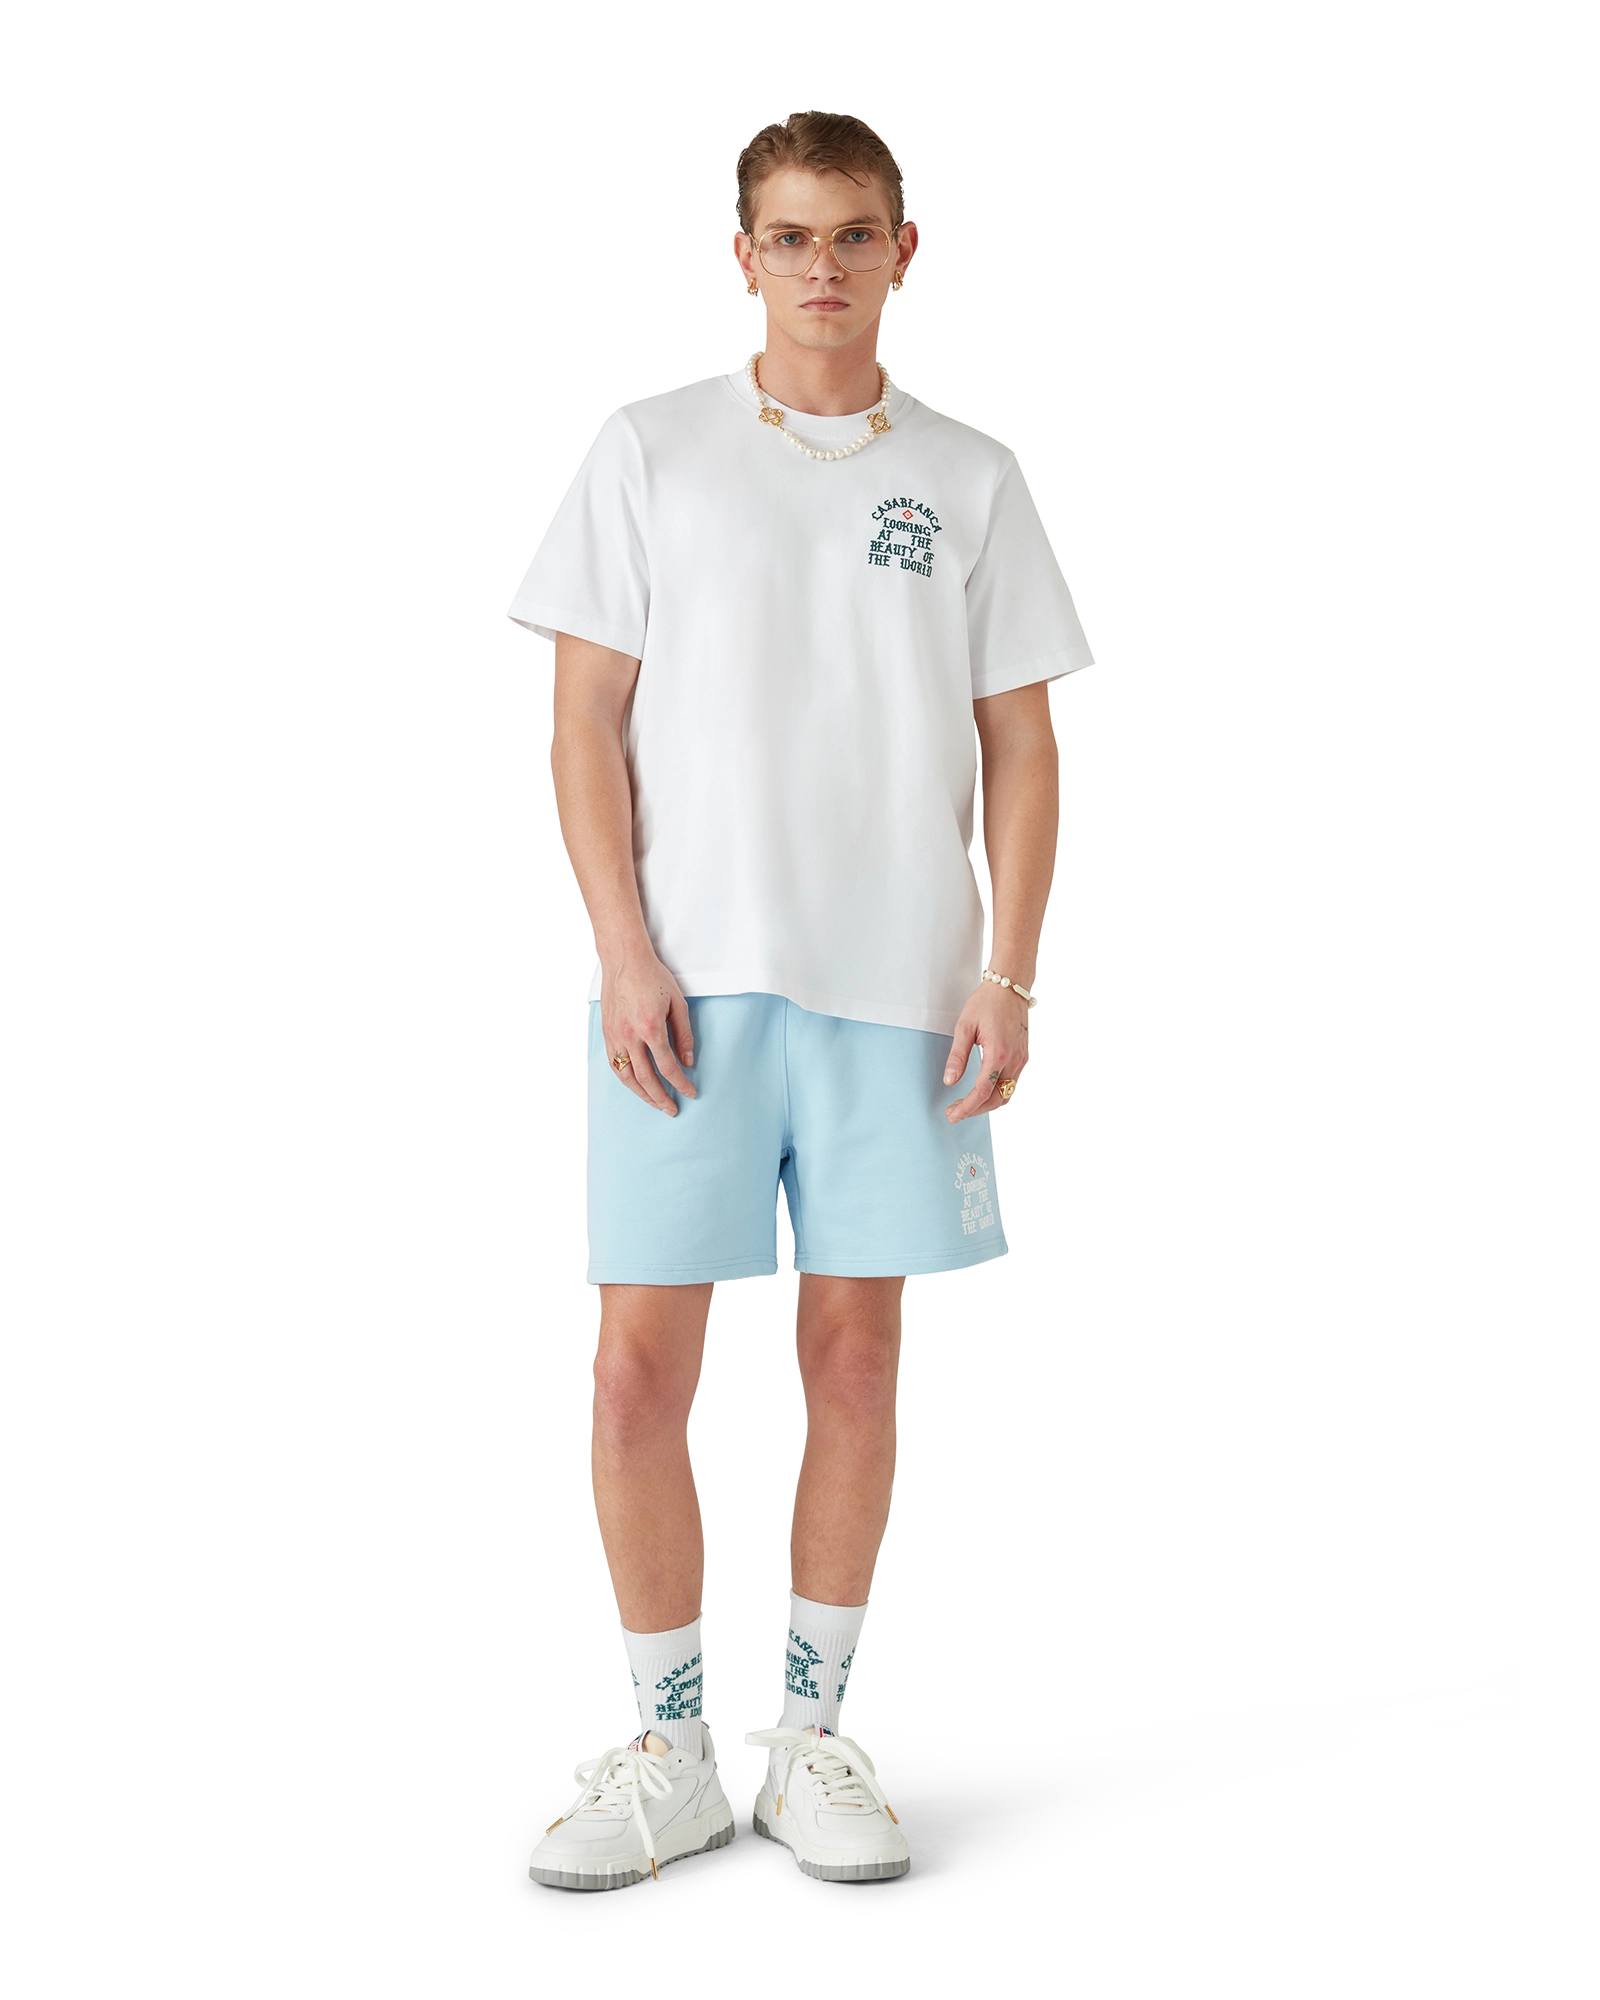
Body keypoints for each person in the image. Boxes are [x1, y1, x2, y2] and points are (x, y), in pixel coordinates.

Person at [506, 110, 1092, 1890]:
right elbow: (583, 721)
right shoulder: (651, 450)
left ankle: (814, 1737)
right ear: (741, 255)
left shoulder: (970, 476)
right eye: (787, 234)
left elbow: (1021, 743)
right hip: (682, 987)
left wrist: (1007, 969)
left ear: (904, 250)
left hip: (895, 984)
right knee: (635, 1372)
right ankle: (671, 1749)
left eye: (851, 233)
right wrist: (623, 945)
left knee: (854, 1357)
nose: (820, 265)